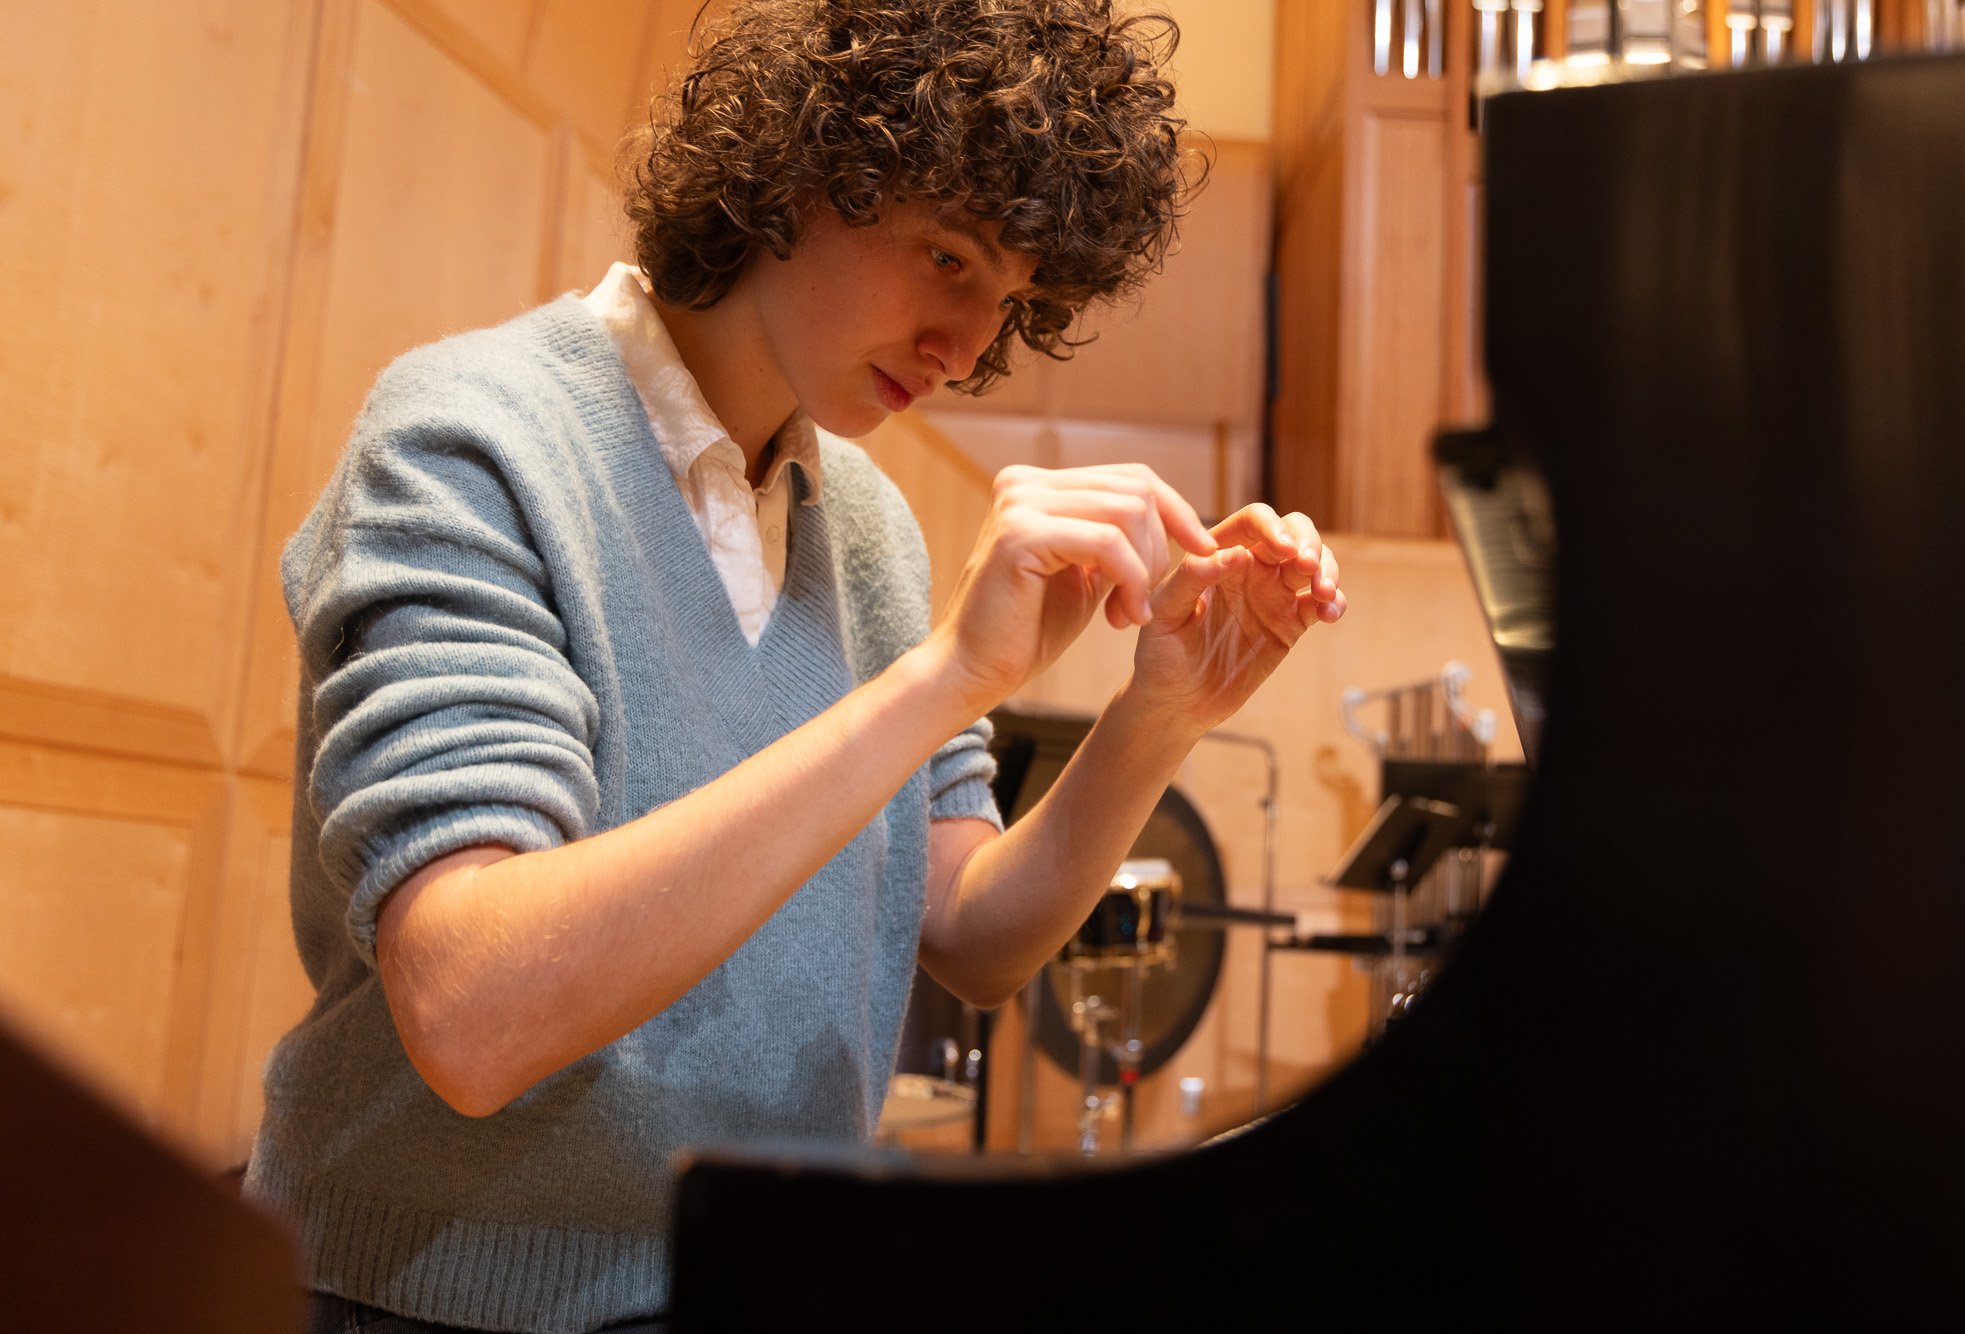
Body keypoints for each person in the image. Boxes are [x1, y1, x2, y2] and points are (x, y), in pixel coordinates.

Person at [246, 1, 1347, 1330]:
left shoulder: (869, 522)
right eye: (946, 255)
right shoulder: (471, 435)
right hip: (435, 1303)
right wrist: (942, 678)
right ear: (799, 167)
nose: (962, 347)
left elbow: (973, 932)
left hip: (751, 1280)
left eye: (1007, 303)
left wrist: (1163, 711)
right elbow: (474, 1010)